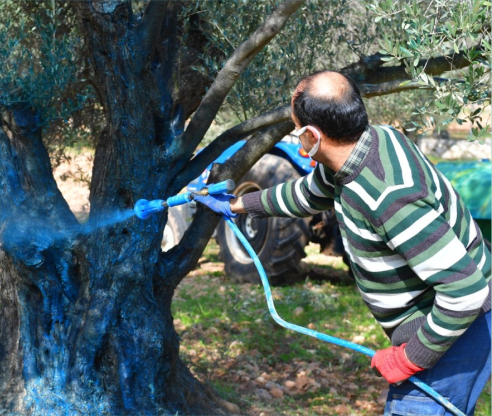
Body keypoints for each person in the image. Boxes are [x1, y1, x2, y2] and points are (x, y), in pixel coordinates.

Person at [195, 70, 491, 416]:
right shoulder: (366, 146)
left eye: (295, 129)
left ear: (311, 136)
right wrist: (238, 204)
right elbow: (308, 194)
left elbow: (465, 292)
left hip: (456, 329)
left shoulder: (389, 197)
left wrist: (411, 358)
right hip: (441, 321)